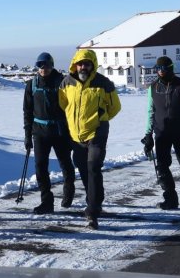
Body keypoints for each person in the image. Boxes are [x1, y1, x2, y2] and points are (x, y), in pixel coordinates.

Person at [59, 49, 121, 229]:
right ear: (75, 64)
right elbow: (64, 104)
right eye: (80, 63)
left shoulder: (103, 83)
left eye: (86, 63)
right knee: (84, 169)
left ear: (93, 65)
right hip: (76, 135)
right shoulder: (66, 83)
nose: (83, 67)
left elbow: (115, 107)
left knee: (93, 167)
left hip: (97, 133)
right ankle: (96, 200)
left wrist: (101, 118)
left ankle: (92, 212)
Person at [141, 56, 180, 209]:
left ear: (170, 68)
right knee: (161, 166)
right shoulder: (153, 88)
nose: (160, 71)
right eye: (158, 69)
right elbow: (150, 111)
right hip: (161, 132)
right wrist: (148, 134)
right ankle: (171, 198)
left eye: (163, 68)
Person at [22, 52, 76, 214]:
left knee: (65, 164)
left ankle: (68, 192)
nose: (43, 68)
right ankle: (47, 201)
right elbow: (27, 111)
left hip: (61, 131)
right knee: (40, 167)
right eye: (40, 65)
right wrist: (27, 135)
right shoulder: (31, 84)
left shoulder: (63, 82)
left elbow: (72, 106)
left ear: (52, 65)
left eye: (46, 65)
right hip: (39, 132)